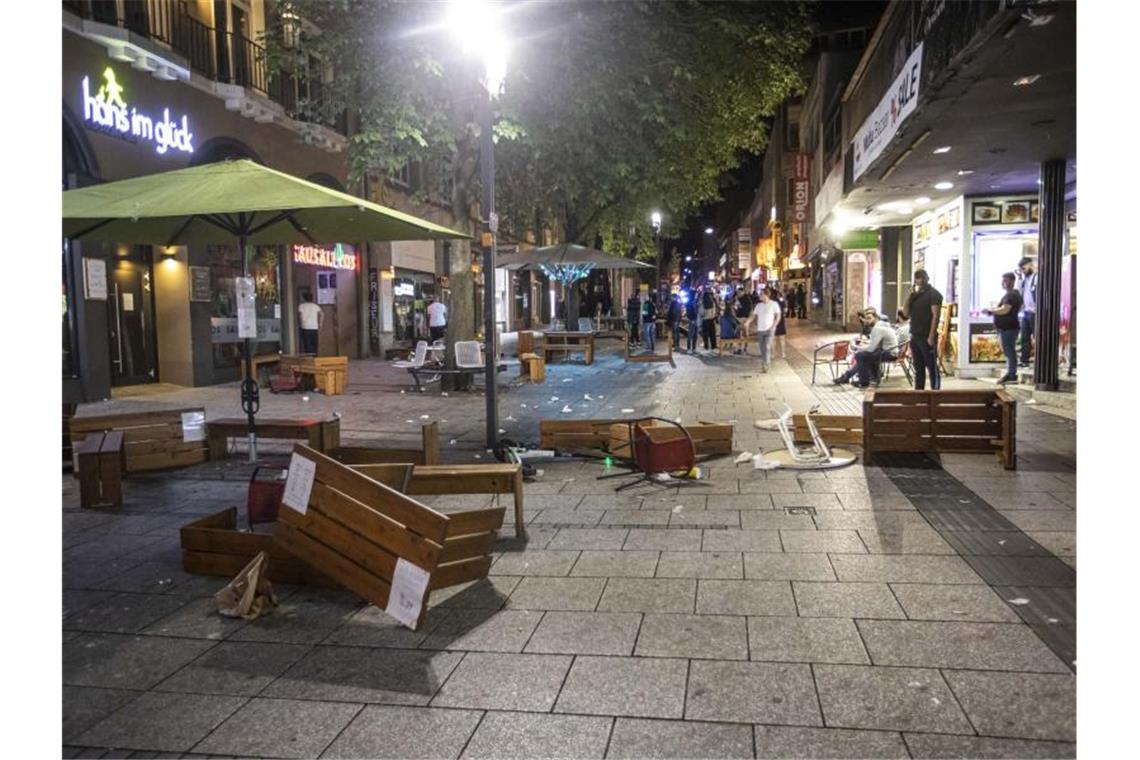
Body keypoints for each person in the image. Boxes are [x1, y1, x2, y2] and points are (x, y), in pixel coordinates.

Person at [898, 269, 943, 390]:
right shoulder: (915, 296)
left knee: (932, 367)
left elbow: (936, 315)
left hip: (926, 336)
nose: (921, 280)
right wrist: (909, 297)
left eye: (923, 277)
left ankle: (935, 393)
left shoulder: (934, 294)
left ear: (927, 278)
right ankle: (919, 393)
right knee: (919, 368)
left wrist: (931, 336)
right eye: (918, 278)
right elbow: (905, 314)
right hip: (915, 336)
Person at [834, 309, 899, 388]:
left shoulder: (878, 328)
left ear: (876, 318)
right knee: (862, 356)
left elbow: (871, 348)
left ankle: (863, 381)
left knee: (860, 356)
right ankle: (854, 377)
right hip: (889, 351)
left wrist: (858, 348)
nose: (867, 320)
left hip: (889, 353)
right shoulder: (882, 325)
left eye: (869, 318)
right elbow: (875, 345)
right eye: (866, 318)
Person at [983, 272, 1023, 384]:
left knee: (1009, 351)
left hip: (1008, 328)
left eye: (1005, 280)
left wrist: (991, 311)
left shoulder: (1011, 295)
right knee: (1009, 351)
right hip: (1008, 327)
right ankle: (1011, 373)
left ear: (1011, 281)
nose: (1003, 283)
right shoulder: (1013, 294)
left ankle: (1011, 374)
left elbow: (1005, 309)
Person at [752, 288, 782, 372]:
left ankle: (765, 364)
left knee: (767, 346)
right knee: (762, 348)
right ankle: (765, 361)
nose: (759, 296)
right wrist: (748, 322)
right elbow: (754, 316)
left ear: (766, 295)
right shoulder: (758, 305)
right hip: (760, 329)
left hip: (770, 329)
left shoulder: (774, 304)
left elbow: (778, 316)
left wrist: (774, 325)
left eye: (761, 294)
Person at [1017, 256, 1037, 367]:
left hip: (1034, 312)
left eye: (1023, 268)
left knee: (1036, 336)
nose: (1023, 271)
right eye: (1021, 269)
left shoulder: (1036, 277)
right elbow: (1019, 292)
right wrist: (1020, 278)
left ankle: (1039, 359)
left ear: (1030, 265)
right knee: (1025, 337)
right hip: (1026, 311)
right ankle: (1025, 360)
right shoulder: (1025, 280)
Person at [297, 290, 322, 355]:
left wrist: (301, 323)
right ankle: (315, 358)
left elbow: (300, 316)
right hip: (314, 327)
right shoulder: (315, 306)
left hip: (305, 327)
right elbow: (322, 314)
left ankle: (309, 359)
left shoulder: (301, 306)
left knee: (307, 345)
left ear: (304, 298)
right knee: (314, 344)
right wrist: (320, 323)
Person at [773, 287, 789, 358]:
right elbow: (785, 310)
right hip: (781, 320)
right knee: (782, 338)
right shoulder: (781, 301)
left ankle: (773, 353)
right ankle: (783, 353)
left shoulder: (771, 302)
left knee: (773, 339)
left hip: (773, 321)